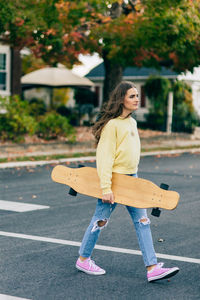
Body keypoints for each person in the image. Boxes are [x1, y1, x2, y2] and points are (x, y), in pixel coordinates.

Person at [75, 81, 179, 282]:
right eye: (132, 96)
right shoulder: (112, 125)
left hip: (133, 180)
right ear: (121, 99)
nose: (137, 99)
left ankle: (152, 268)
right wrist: (106, 187)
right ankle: (83, 259)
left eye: (137, 96)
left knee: (143, 222)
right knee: (100, 221)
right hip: (115, 180)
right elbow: (104, 158)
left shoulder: (132, 122)